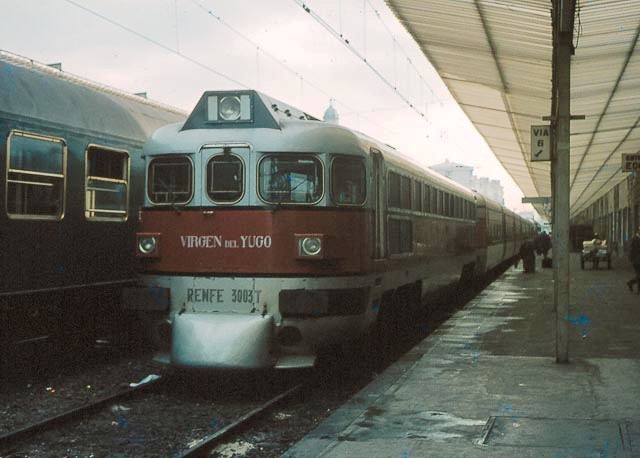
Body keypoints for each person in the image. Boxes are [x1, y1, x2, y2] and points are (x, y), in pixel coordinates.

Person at [627, 227, 640, 294]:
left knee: (638, 275)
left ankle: (630, 283)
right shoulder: (634, 239)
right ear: (638, 232)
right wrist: (631, 259)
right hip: (637, 260)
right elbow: (631, 250)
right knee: (638, 275)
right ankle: (638, 290)